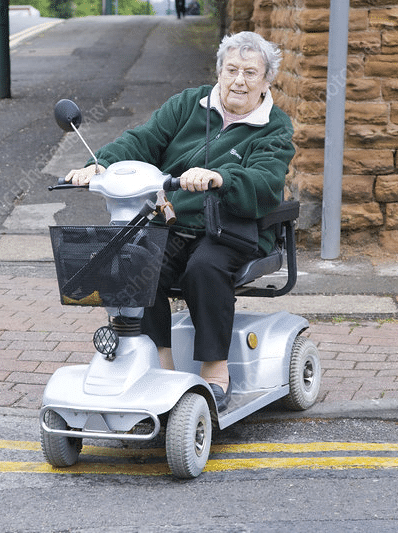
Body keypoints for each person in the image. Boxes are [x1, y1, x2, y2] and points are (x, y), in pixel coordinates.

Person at [65, 32, 295, 411]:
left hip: (233, 226)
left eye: (250, 73)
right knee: (139, 257)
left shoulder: (275, 127)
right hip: (175, 220)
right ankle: (162, 363)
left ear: (266, 81)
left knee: (204, 267)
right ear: (219, 71)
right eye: (232, 69)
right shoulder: (189, 104)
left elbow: (268, 181)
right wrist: (100, 164)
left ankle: (215, 371)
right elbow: (142, 140)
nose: (239, 80)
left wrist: (222, 178)